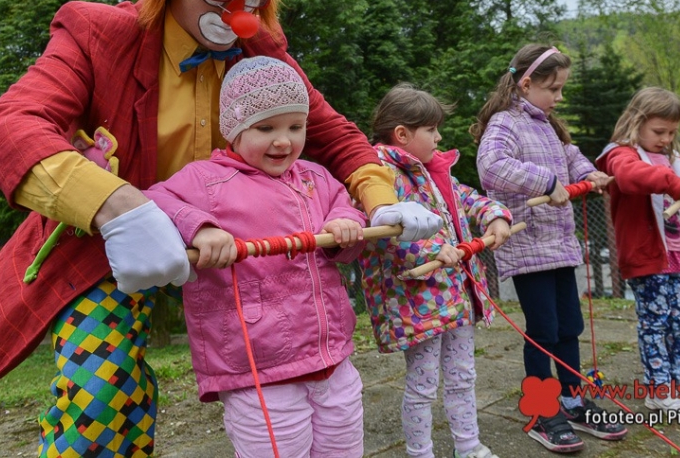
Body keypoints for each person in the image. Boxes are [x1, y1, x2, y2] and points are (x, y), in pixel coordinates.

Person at [0, 0, 440, 457]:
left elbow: (335, 134)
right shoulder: (97, 34)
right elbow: (7, 125)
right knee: (100, 394)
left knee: (298, 377)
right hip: (112, 244)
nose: (237, 11)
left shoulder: (261, 53)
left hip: (234, 253)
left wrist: (379, 197)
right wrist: (118, 208)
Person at [144, 56, 366, 457]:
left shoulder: (316, 177)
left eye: (296, 127)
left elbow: (344, 204)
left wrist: (345, 221)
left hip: (333, 356)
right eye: (266, 128)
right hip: (258, 369)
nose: (284, 141)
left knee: (345, 448)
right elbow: (152, 202)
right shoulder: (204, 180)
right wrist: (200, 228)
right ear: (234, 128)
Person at [472, 44, 628, 453]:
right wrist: (545, 182)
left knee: (569, 326)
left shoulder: (547, 125)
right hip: (528, 245)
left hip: (559, 244)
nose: (559, 97)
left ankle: (572, 401)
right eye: (553, 88)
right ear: (526, 84)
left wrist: (589, 174)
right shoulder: (505, 123)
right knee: (543, 331)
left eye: (561, 89)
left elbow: (569, 156)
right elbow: (491, 166)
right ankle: (542, 410)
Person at [360, 83, 513, 458]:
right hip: (419, 303)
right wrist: (431, 249)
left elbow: (465, 197)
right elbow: (385, 232)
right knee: (423, 384)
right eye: (431, 129)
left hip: (457, 294)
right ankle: (420, 452)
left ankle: (468, 445)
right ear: (402, 134)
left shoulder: (434, 171)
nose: (439, 137)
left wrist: (494, 216)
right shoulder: (380, 176)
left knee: (463, 375)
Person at [595, 86, 680, 414]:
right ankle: (658, 388)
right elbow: (629, 176)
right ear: (635, 122)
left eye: (672, 132)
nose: (666, 139)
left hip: (678, 255)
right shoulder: (620, 154)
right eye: (659, 131)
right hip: (647, 257)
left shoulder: (673, 160)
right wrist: (674, 183)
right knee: (655, 322)